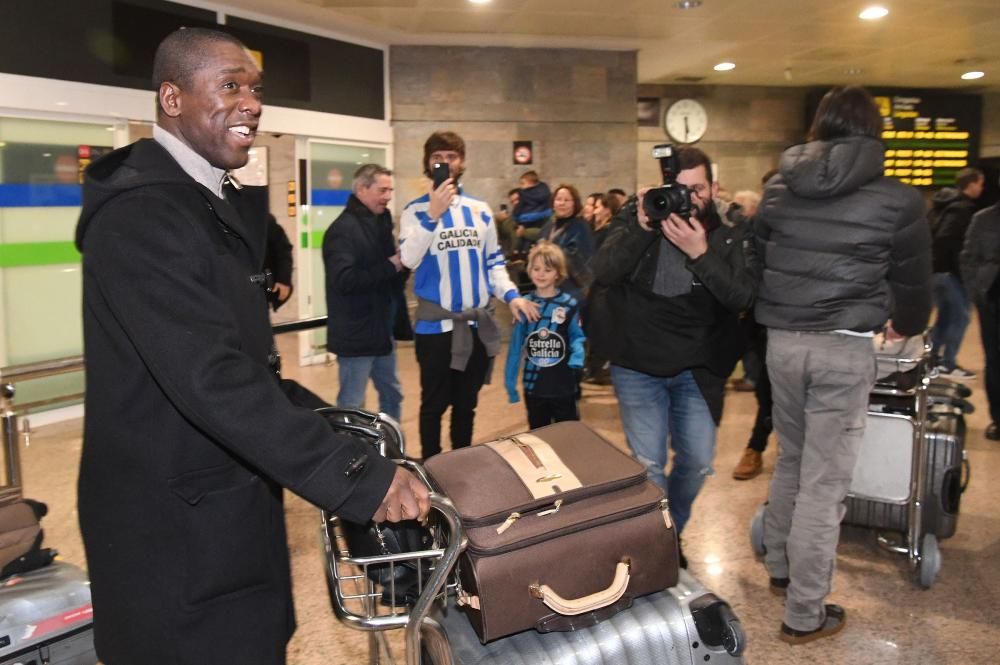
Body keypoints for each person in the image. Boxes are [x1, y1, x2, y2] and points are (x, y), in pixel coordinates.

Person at [74, 28, 429, 665]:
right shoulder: (142, 215)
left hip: (220, 518)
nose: (252, 103)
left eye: (256, 88)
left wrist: (346, 435)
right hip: (173, 539)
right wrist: (349, 476)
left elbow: (242, 362)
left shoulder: (207, 201)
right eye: (230, 85)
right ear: (172, 99)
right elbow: (207, 375)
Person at [755, 86, 931, 645]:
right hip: (844, 346)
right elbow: (912, 281)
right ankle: (805, 613)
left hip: (782, 342)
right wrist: (906, 321)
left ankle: (780, 568)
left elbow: (761, 259)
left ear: (819, 127)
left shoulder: (779, 187)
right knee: (824, 484)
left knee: (791, 460)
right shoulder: (899, 199)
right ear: (874, 131)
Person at [590, 146, 756, 562]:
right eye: (678, 190)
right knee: (648, 464)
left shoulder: (731, 227)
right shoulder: (640, 213)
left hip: (699, 367)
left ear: (714, 187)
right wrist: (643, 226)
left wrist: (702, 253)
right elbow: (604, 271)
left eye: (697, 189)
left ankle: (670, 528)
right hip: (637, 362)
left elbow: (742, 295)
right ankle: (660, 546)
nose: (687, 199)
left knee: (697, 462)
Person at [400, 131, 539, 459]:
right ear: (427, 162)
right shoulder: (414, 210)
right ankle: (432, 470)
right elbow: (407, 259)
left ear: (461, 163)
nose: (445, 163)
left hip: (476, 326)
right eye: (438, 157)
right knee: (433, 405)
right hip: (436, 330)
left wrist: (512, 296)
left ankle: (462, 464)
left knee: (466, 405)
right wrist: (433, 214)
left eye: (451, 157)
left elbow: (493, 262)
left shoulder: (479, 209)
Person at [323, 163, 405, 422]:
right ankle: (355, 458)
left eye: (390, 190)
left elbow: (390, 277)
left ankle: (392, 452)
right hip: (356, 336)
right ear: (361, 189)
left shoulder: (381, 224)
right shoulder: (342, 230)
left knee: (392, 394)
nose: (388, 196)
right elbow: (344, 280)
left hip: (382, 331)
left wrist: (404, 264)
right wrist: (391, 265)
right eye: (382, 190)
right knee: (352, 404)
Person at [505, 242, 586, 428]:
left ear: (558, 273)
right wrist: (510, 385)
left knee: (568, 435)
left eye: (547, 270)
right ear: (529, 270)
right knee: (539, 437)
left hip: (563, 385)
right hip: (534, 387)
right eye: (536, 268)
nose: (541, 274)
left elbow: (577, 336)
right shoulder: (524, 305)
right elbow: (515, 348)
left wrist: (577, 357)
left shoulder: (569, 304)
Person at [929, 167, 985, 379]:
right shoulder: (962, 209)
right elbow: (948, 241)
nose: (982, 188)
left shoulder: (941, 207)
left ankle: (932, 357)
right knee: (961, 317)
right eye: (980, 183)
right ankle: (947, 362)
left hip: (937, 271)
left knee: (945, 316)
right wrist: (962, 270)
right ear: (970, 184)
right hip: (950, 273)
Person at [961, 188, 1000, 440]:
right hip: (992, 298)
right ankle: (998, 418)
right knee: (995, 361)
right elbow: (968, 258)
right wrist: (976, 290)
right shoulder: (983, 219)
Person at [538, 183, 595, 298]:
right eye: (558, 199)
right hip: (548, 285)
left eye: (567, 200)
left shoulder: (580, 226)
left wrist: (548, 254)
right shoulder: (548, 225)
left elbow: (577, 257)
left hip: (571, 287)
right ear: (553, 203)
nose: (562, 203)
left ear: (575, 204)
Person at [512, 170, 552, 255]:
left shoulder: (523, 194)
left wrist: (515, 218)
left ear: (530, 183)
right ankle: (525, 252)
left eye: (523, 183)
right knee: (528, 237)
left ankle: (518, 251)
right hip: (544, 217)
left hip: (525, 219)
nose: (521, 186)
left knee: (522, 234)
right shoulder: (545, 191)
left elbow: (519, 207)